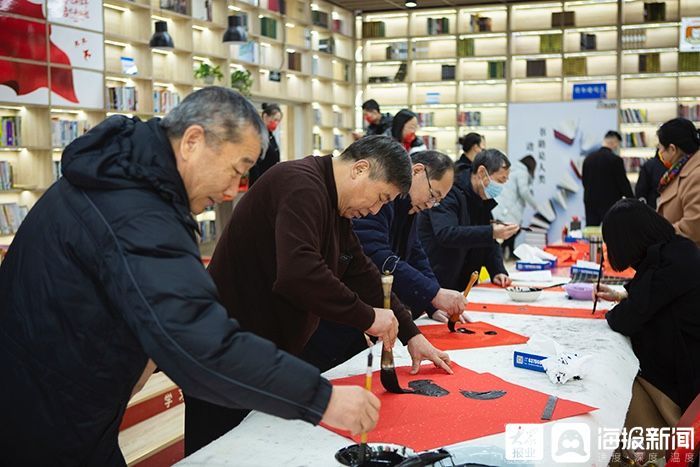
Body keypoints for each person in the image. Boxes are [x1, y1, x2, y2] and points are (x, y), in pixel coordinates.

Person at [0, 87, 379, 465]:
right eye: (236, 170)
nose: (233, 190)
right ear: (193, 141)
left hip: (61, 398)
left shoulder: (124, 181)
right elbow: (201, 341)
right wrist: (320, 398)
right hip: (47, 408)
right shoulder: (138, 210)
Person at [185, 135, 452, 454]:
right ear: (360, 169)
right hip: (225, 351)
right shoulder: (301, 186)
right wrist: (368, 318)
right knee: (219, 452)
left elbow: (362, 271)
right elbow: (299, 274)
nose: (374, 210)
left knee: (254, 448)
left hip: (259, 353)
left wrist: (411, 334)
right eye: (380, 197)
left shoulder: (333, 202)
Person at [301, 150, 465, 372]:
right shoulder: (376, 198)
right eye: (432, 195)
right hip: (328, 319)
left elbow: (411, 254)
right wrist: (433, 294)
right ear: (417, 171)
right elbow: (374, 258)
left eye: (437, 201)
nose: (430, 204)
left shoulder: (403, 205)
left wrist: (430, 301)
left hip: (355, 312)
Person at [596, 198, 700, 461]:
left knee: (613, 376)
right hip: (686, 361)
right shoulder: (676, 251)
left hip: (683, 378)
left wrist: (621, 304)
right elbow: (651, 292)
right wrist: (624, 294)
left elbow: (626, 319)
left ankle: (643, 455)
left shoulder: (666, 265)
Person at [418, 149, 518, 291]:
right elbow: (446, 233)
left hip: (465, 281)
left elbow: (488, 241)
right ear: (482, 173)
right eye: (500, 181)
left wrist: (498, 270)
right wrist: (491, 232)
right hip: (438, 276)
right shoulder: (449, 190)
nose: (501, 188)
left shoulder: (481, 197)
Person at [655, 117, 700, 246]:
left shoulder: (695, 175)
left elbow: (693, 227)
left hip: (690, 258)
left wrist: (657, 234)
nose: (660, 153)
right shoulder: (679, 170)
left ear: (672, 149)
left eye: (661, 148)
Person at [582, 130, 633, 226]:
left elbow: (584, 182)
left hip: (590, 202)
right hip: (610, 204)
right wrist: (632, 200)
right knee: (611, 232)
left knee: (592, 233)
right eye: (618, 144)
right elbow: (623, 184)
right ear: (615, 143)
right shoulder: (616, 160)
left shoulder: (588, 159)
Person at [492, 155, 538, 260]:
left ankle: (507, 251)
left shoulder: (514, 170)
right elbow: (524, 191)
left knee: (510, 230)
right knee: (513, 229)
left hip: (504, 206)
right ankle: (506, 251)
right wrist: (535, 205)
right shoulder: (522, 172)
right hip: (509, 208)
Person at [248, 102, 282, 186]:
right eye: (274, 119)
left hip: (270, 180)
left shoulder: (271, 135)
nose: (276, 123)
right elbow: (254, 164)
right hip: (260, 182)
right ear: (265, 116)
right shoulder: (258, 135)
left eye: (278, 121)